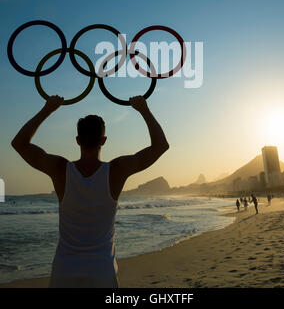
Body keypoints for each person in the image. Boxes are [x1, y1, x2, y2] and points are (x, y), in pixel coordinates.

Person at [11, 94, 169, 288]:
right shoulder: (116, 170)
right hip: (101, 271)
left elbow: (19, 143)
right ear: (103, 140)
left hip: (64, 270)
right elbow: (161, 145)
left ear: (77, 140)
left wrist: (48, 109)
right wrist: (143, 109)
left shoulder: (60, 169)